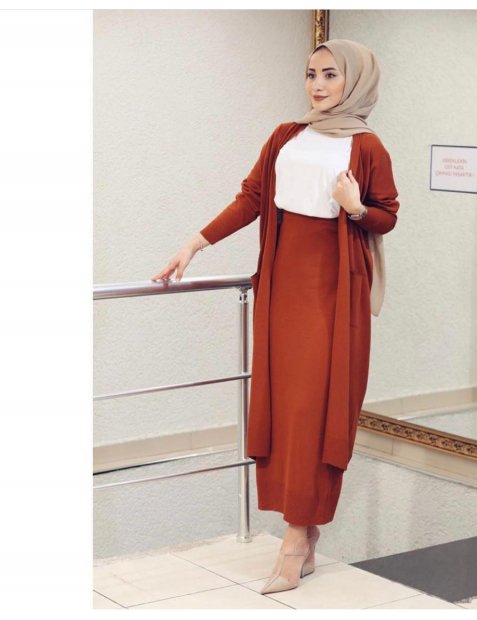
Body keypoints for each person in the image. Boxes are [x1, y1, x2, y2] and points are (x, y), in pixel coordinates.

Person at [151, 38, 400, 595]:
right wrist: (194, 244)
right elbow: (252, 198)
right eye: (311, 73)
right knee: (286, 407)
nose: (317, 85)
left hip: (333, 292)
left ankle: (293, 541)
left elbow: (386, 215)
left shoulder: (367, 146)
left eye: (330, 74)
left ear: (355, 81)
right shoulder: (286, 135)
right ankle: (303, 536)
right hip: (282, 286)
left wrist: (356, 207)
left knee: (314, 407)